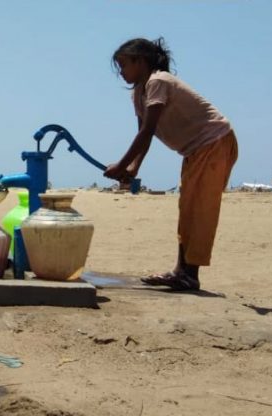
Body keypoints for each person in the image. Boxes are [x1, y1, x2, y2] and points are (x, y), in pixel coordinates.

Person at [105, 37, 238, 291]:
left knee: (198, 208)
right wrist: (133, 168)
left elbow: (147, 131)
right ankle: (182, 272)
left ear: (140, 61)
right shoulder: (139, 93)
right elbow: (145, 133)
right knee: (187, 207)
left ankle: (189, 274)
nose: (121, 72)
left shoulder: (158, 81)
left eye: (124, 65)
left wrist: (122, 165)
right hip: (197, 149)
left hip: (214, 141)